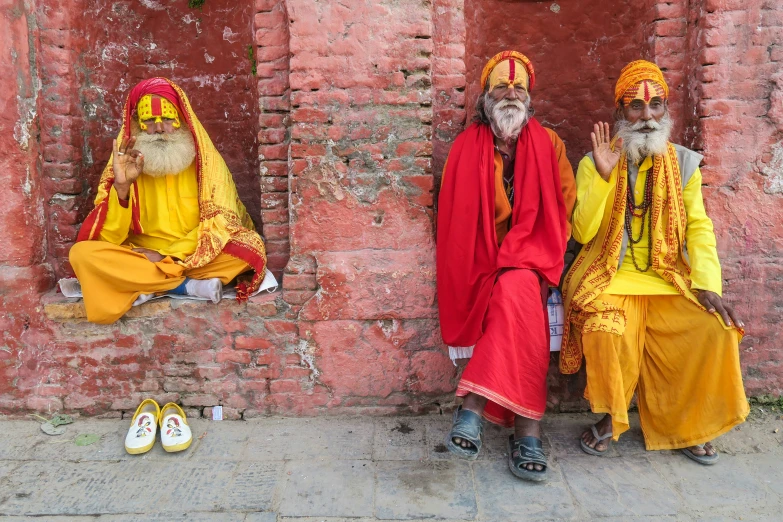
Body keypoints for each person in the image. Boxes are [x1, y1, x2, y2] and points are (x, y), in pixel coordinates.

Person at [561, 60, 749, 464]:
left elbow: (699, 228)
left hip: (666, 276)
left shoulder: (684, 164)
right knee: (606, 330)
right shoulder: (597, 160)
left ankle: (688, 424)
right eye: (636, 107)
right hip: (606, 273)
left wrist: (707, 283)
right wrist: (601, 174)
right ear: (620, 114)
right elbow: (581, 232)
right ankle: (613, 418)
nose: (647, 117)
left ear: (666, 111)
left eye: (656, 106)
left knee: (714, 329)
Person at [437, 51, 575, 481]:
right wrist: (497, 258)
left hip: (535, 257)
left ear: (530, 98)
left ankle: (474, 405)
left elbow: (563, 208)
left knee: (517, 285)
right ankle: (526, 429)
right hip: (480, 262)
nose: (510, 94)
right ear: (486, 97)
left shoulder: (550, 145)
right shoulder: (465, 148)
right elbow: (453, 219)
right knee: (514, 294)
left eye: (519, 88)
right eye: (501, 87)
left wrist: (527, 253)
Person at [69, 78, 267, 324]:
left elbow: (222, 224)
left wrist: (166, 255)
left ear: (182, 120)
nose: (160, 127)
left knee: (249, 248)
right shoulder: (126, 165)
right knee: (82, 254)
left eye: (167, 119)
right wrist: (122, 188)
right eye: (149, 121)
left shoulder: (205, 162)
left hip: (196, 252)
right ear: (138, 126)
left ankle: (147, 282)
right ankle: (185, 286)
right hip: (140, 255)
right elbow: (108, 238)